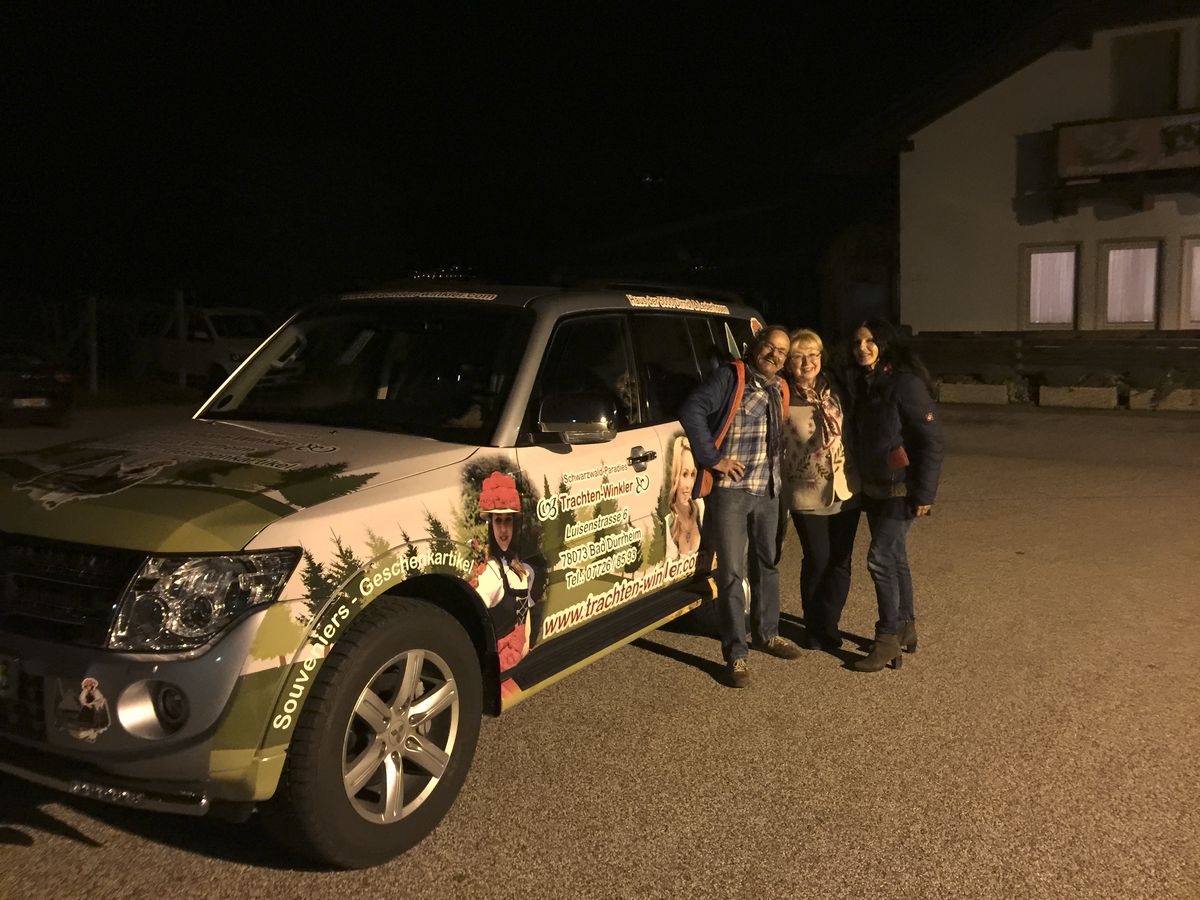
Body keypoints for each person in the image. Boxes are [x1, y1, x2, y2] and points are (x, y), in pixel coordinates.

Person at [679, 325, 802, 688]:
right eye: (770, 347)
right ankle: (736, 654)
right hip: (732, 491)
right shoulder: (731, 378)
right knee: (732, 572)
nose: (774, 355)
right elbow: (693, 409)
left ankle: (767, 634)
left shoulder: (780, 387)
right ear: (756, 346)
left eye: (782, 352)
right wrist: (713, 458)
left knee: (767, 564)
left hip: (768, 490)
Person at [846, 319, 944, 672]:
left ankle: (886, 637)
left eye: (870, 341)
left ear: (886, 344)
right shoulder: (866, 382)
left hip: (900, 487)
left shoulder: (904, 384)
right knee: (896, 557)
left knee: (880, 559)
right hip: (876, 485)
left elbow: (932, 441)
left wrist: (925, 494)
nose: (862, 348)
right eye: (857, 342)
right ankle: (905, 626)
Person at [781, 328, 860, 652]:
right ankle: (813, 626)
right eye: (799, 356)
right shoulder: (782, 394)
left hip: (845, 487)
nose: (807, 362)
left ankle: (829, 624)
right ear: (788, 362)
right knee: (818, 558)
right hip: (806, 491)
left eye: (813, 355)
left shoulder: (835, 388)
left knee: (841, 560)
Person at [471, 471, 537, 698]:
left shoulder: (520, 568)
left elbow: (524, 613)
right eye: (498, 521)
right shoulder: (490, 574)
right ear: (491, 525)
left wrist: (526, 644)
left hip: (519, 664)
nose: (503, 530)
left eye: (508, 521)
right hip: (499, 671)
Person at [665, 435, 703, 559]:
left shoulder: (699, 508)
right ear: (676, 475)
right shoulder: (669, 519)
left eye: (692, 474)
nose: (689, 484)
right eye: (684, 474)